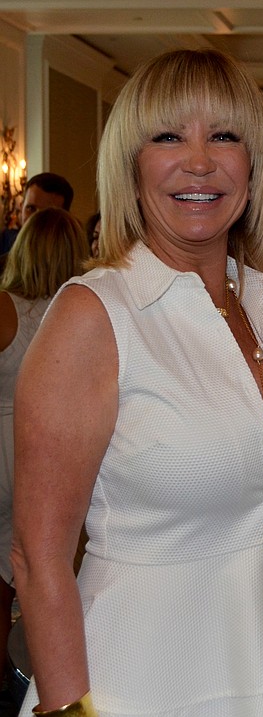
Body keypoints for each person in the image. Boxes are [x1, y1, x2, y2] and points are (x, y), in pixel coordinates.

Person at [12, 49, 263, 717]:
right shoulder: (96, 312)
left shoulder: (262, 314)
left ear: (252, 164)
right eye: (168, 136)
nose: (199, 160)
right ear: (131, 167)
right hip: (136, 687)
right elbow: (36, 557)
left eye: (224, 135)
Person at [0, 208, 87, 691]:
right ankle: (44, 675)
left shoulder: (4, 307)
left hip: (5, 450)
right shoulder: (83, 311)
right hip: (62, 454)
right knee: (53, 573)